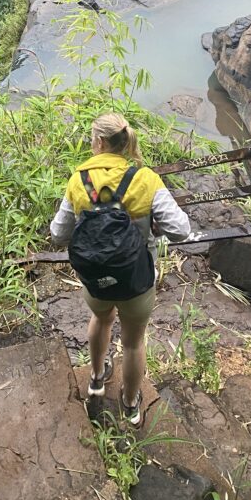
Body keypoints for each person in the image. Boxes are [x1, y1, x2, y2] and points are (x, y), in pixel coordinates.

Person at [50, 112, 192, 426]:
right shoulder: (145, 179)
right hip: (137, 280)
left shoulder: (79, 180)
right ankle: (130, 405)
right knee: (133, 342)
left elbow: (58, 234)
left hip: (95, 281)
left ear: (100, 142)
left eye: (92, 139)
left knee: (101, 319)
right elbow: (181, 230)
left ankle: (96, 379)